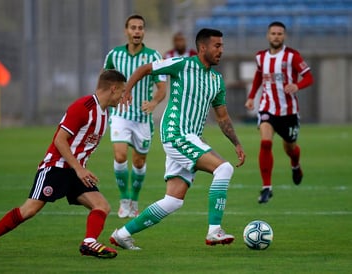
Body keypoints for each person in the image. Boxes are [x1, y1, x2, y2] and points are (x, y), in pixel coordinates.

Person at [109, 28, 246, 250]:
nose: (221, 50)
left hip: (189, 137)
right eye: (217, 46)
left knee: (173, 201)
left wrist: (237, 143)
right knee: (224, 169)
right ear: (203, 47)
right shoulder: (182, 64)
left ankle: (122, 234)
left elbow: (222, 117)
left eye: (222, 46)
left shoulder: (217, 80)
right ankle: (214, 231)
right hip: (176, 133)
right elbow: (145, 68)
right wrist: (127, 91)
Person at [0, 70, 127, 259]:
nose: (123, 95)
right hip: (56, 167)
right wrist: (79, 168)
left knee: (101, 205)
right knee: (29, 210)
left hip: (75, 171)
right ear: (113, 88)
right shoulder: (82, 107)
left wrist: (78, 169)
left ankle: (88, 243)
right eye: (122, 91)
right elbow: (60, 140)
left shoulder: (104, 114)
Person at [103, 14, 166, 218]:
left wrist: (154, 102)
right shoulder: (114, 55)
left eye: (140, 28)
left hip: (142, 118)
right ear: (126, 31)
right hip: (120, 114)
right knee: (120, 155)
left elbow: (162, 87)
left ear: (144, 31)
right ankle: (123, 200)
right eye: (133, 27)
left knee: (138, 163)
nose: (137, 31)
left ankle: (134, 200)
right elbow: (105, 83)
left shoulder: (154, 57)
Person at [244, 21, 314, 204]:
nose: (276, 36)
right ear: (268, 36)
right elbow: (259, 76)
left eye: (280, 34)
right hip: (267, 108)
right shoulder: (260, 57)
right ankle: (267, 187)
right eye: (273, 33)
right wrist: (252, 97)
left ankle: (295, 164)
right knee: (265, 142)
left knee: (290, 148)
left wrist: (297, 85)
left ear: (284, 36)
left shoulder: (292, 56)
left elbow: (309, 77)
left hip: (289, 112)